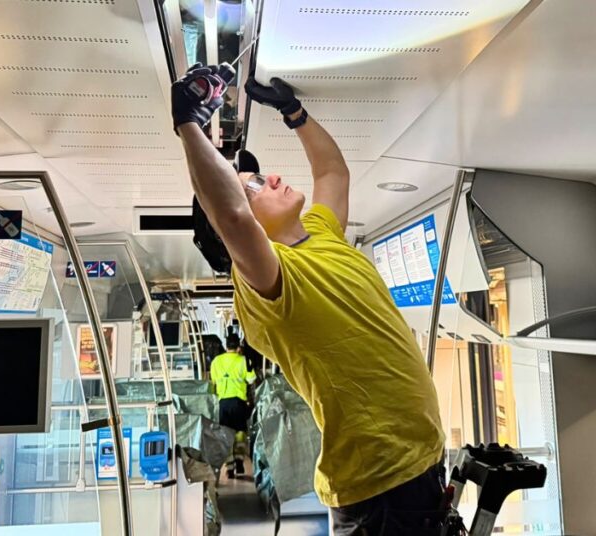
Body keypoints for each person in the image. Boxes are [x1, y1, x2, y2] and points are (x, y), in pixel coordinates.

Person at [172, 66, 446, 534]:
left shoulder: (322, 233)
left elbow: (333, 172)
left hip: (419, 464)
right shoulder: (270, 287)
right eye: (255, 185)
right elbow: (232, 217)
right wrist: (189, 124)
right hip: (380, 488)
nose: (272, 178)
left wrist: (294, 112)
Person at [210, 333, 256, 478]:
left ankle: (229, 467)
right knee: (240, 433)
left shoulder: (216, 361)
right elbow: (252, 379)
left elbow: (213, 382)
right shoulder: (245, 360)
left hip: (223, 403)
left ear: (226, 346)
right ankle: (239, 460)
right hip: (238, 402)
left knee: (226, 435)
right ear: (238, 347)